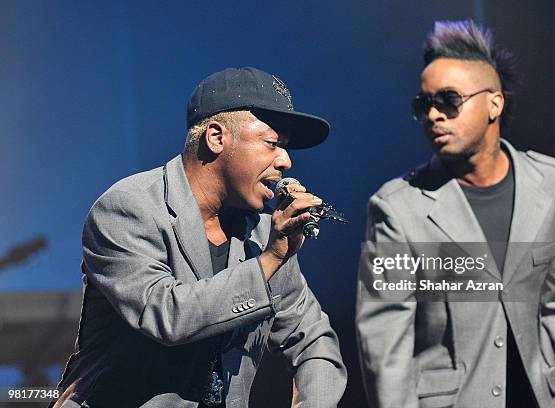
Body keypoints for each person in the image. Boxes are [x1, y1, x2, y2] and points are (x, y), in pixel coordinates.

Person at [53, 67, 346, 408]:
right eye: (272, 144)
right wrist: (269, 261)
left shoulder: (263, 234)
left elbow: (314, 342)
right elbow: (167, 316)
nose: (286, 160)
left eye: (286, 147)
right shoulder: (127, 208)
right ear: (216, 137)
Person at [355, 20, 555, 408]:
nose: (433, 115)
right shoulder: (394, 207)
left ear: (494, 103)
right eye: (424, 104)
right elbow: (385, 349)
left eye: (449, 100)